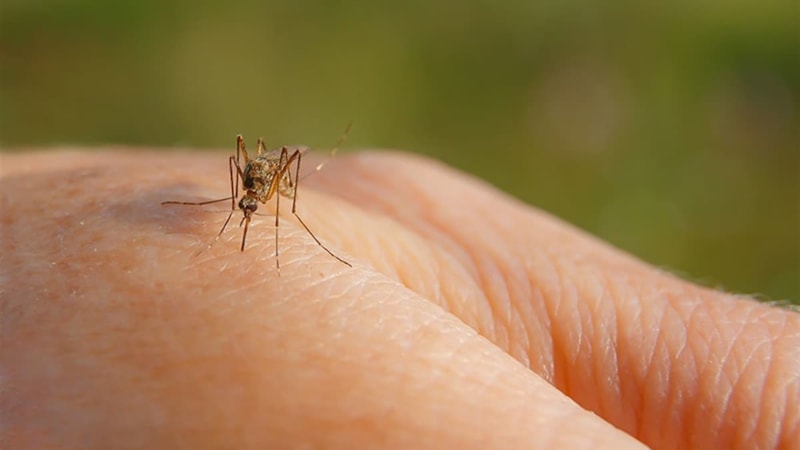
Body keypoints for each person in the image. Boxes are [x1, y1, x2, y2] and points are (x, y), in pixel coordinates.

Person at [2, 150, 797, 450]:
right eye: (247, 198)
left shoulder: (272, 188)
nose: (246, 206)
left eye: (250, 198)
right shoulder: (237, 192)